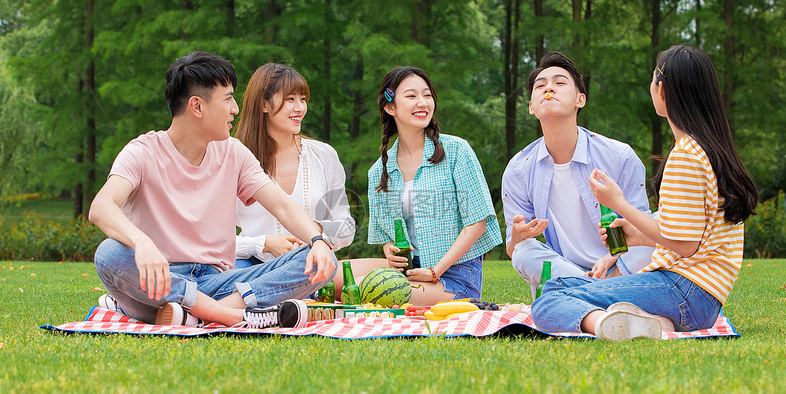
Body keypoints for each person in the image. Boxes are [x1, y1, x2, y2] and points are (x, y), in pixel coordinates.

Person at [89, 51, 336, 329]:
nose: (236, 109)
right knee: (109, 253)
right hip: (159, 281)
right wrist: (142, 243)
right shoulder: (142, 152)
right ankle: (228, 314)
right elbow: (101, 207)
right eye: (228, 98)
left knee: (320, 259)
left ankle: (200, 313)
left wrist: (317, 241)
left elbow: (281, 205)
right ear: (197, 106)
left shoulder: (233, 152)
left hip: (218, 281)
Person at [531, 45, 758, 341]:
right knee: (560, 288)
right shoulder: (705, 150)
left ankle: (602, 323)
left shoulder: (687, 156)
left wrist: (618, 203)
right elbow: (694, 234)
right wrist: (637, 236)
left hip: (684, 290)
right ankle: (652, 323)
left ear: (662, 90)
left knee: (550, 297)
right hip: (699, 297)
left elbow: (685, 244)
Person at [502, 51, 655, 301]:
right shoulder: (519, 169)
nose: (548, 88)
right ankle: (594, 292)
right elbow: (513, 249)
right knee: (523, 252)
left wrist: (611, 260)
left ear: (580, 99)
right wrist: (517, 237)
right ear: (531, 106)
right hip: (565, 270)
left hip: (619, 267)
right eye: (540, 86)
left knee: (662, 227)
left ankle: (583, 295)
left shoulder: (618, 156)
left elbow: (642, 228)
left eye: (560, 83)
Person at [367, 66, 503, 305]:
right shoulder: (379, 170)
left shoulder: (456, 150)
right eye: (411, 96)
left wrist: (435, 270)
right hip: (410, 271)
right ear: (390, 107)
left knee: (372, 293)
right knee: (334, 276)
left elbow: (478, 222)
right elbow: (386, 235)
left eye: (427, 95)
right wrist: (389, 249)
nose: (422, 103)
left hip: (455, 276)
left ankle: (463, 302)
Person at [232, 63, 355, 270]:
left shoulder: (323, 155)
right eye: (290, 99)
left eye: (303, 99)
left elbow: (346, 227)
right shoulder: (235, 158)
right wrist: (264, 244)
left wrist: (316, 232)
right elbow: (210, 241)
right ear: (264, 105)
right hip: (250, 267)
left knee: (379, 270)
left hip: (308, 265)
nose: (300, 108)